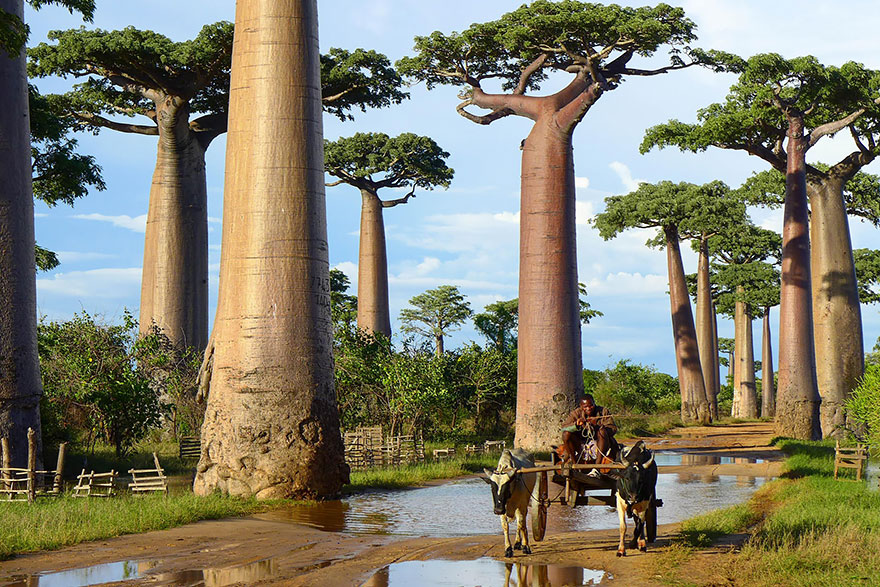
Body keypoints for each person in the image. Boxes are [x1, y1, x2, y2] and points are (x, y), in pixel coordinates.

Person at [560, 394, 618, 476]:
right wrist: (576, 425)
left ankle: (596, 468)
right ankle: (575, 465)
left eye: (591, 405)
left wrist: (598, 427)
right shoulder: (576, 414)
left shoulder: (603, 412)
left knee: (602, 431)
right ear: (581, 406)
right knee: (566, 434)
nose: (588, 408)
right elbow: (563, 428)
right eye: (585, 407)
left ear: (594, 403)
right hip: (581, 445)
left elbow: (613, 428)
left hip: (600, 444)